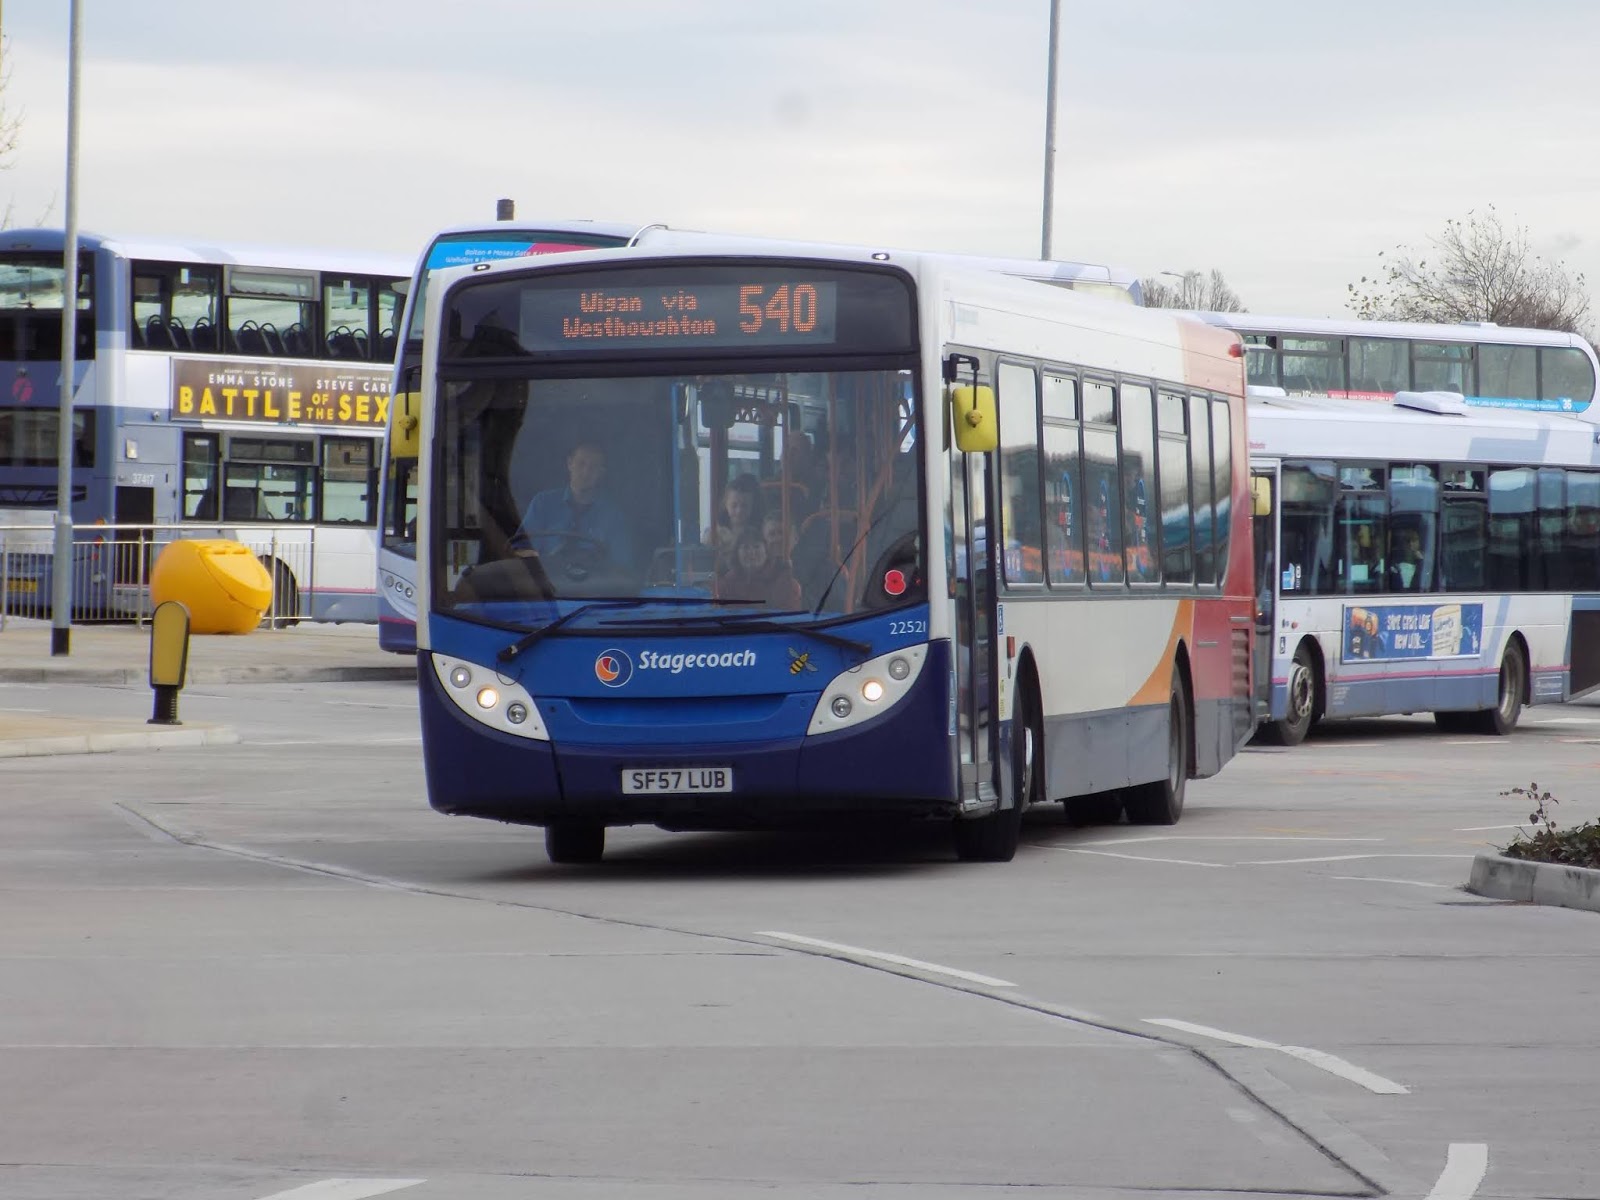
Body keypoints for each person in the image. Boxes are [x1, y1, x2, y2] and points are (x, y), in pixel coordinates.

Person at [511, 440, 633, 573]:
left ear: (601, 473)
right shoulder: (542, 503)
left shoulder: (613, 515)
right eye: (581, 464)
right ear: (569, 463)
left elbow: (621, 566)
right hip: (546, 587)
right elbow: (522, 551)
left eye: (594, 467)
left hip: (595, 590)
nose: (586, 472)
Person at [715, 527, 801, 608]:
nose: (751, 552)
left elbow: (790, 613)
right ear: (736, 554)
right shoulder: (728, 581)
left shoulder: (783, 579)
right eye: (746, 547)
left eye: (756, 546)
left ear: (766, 551)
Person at [705, 473, 762, 558]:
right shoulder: (713, 533)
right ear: (725, 504)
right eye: (734, 505)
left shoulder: (761, 533)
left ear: (752, 506)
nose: (739, 511)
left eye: (744, 505)